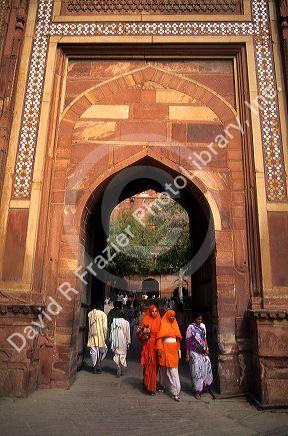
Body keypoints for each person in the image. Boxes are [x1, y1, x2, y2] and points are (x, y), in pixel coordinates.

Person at [185, 313, 213, 399]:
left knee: (205, 367)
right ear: (194, 319)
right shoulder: (190, 328)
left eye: (201, 319)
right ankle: (197, 391)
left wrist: (207, 348)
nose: (199, 321)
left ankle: (202, 387)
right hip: (194, 352)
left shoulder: (203, 326)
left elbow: (204, 338)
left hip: (203, 351)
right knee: (196, 371)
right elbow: (188, 341)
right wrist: (187, 354)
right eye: (198, 319)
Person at [156, 310, 182, 401]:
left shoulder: (175, 325)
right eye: (171, 316)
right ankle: (163, 385)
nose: (172, 318)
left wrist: (179, 350)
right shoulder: (163, 324)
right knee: (163, 369)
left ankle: (176, 392)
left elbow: (178, 339)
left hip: (173, 351)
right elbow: (159, 338)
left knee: (173, 371)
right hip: (164, 349)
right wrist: (159, 348)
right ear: (167, 316)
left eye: (174, 316)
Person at [137, 305, 161, 395]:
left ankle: (149, 383)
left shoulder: (160, 321)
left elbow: (161, 335)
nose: (154, 313)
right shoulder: (145, 321)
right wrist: (144, 334)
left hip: (156, 345)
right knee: (149, 365)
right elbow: (139, 334)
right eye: (153, 311)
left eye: (156, 311)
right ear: (150, 312)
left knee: (155, 366)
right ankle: (149, 386)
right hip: (147, 346)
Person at [87, 303, 107, 373]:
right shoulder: (103, 314)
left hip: (92, 334)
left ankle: (94, 365)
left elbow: (89, 324)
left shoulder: (90, 314)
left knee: (93, 351)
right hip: (100, 334)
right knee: (102, 350)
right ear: (101, 307)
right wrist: (105, 335)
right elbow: (104, 327)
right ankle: (99, 363)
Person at [110, 310, 131, 377]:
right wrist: (128, 341)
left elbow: (111, 331)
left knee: (117, 354)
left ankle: (118, 366)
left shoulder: (114, 322)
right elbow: (128, 333)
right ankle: (120, 367)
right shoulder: (126, 323)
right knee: (122, 354)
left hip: (116, 341)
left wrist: (111, 339)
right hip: (123, 341)